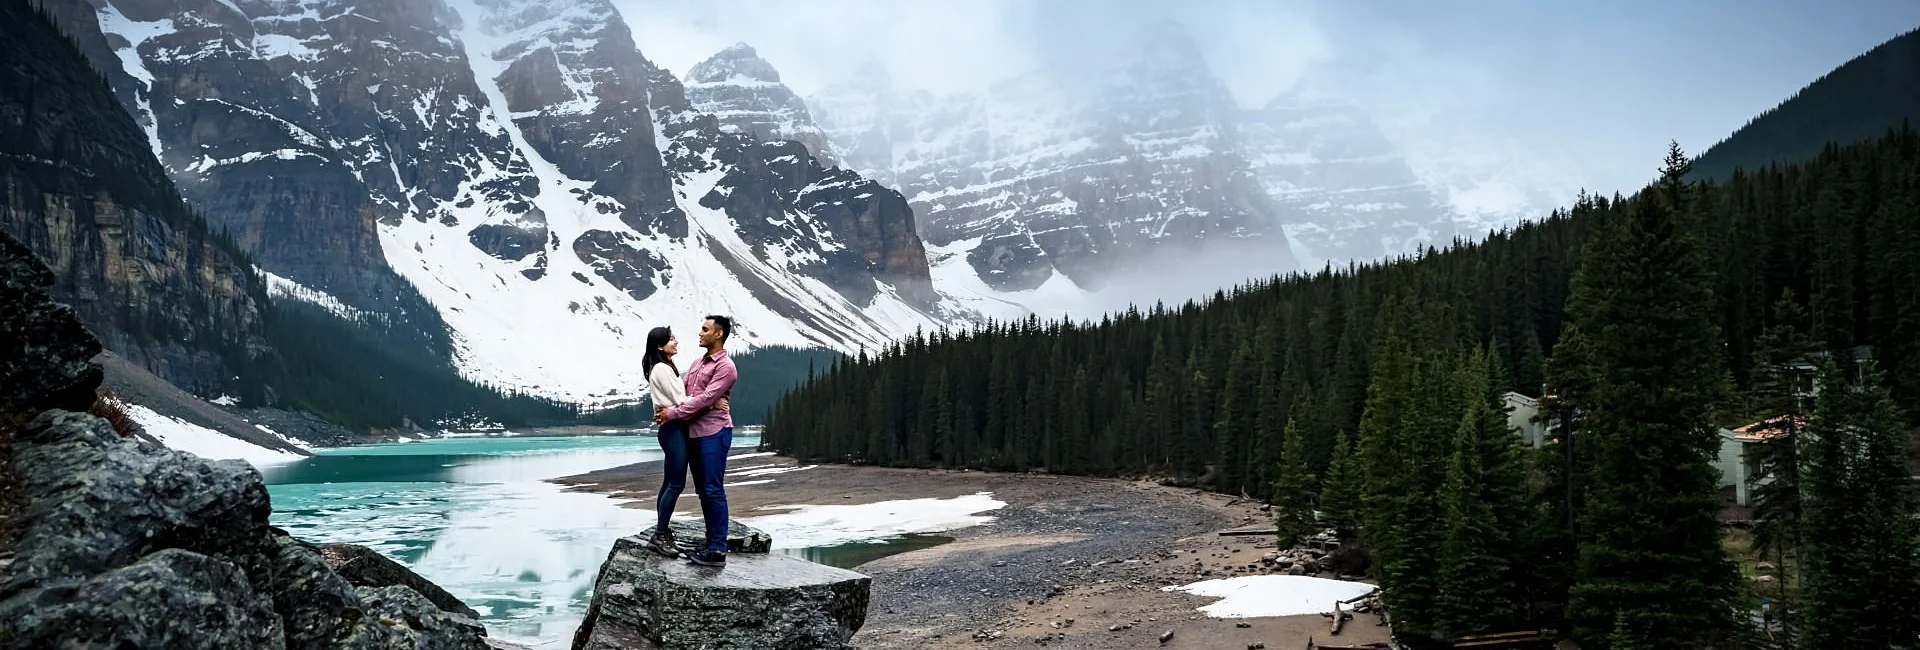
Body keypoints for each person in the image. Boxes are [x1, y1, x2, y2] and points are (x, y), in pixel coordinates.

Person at [654, 315, 739, 567]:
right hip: (695, 433)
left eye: (705, 329)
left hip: (714, 432)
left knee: (713, 490)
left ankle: (717, 550)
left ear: (719, 334)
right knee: (703, 492)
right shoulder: (696, 363)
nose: (700, 333)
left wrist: (672, 413)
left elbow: (700, 400)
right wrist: (709, 400)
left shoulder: (726, 367)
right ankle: (711, 540)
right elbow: (687, 395)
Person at [639, 326, 725, 559]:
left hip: (672, 428)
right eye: (671, 339)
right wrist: (712, 402)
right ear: (660, 346)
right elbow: (681, 400)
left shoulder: (663, 367)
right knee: (675, 484)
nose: (676, 342)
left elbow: (680, 399)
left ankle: (661, 532)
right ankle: (660, 534)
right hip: (674, 429)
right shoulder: (662, 369)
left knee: (670, 482)